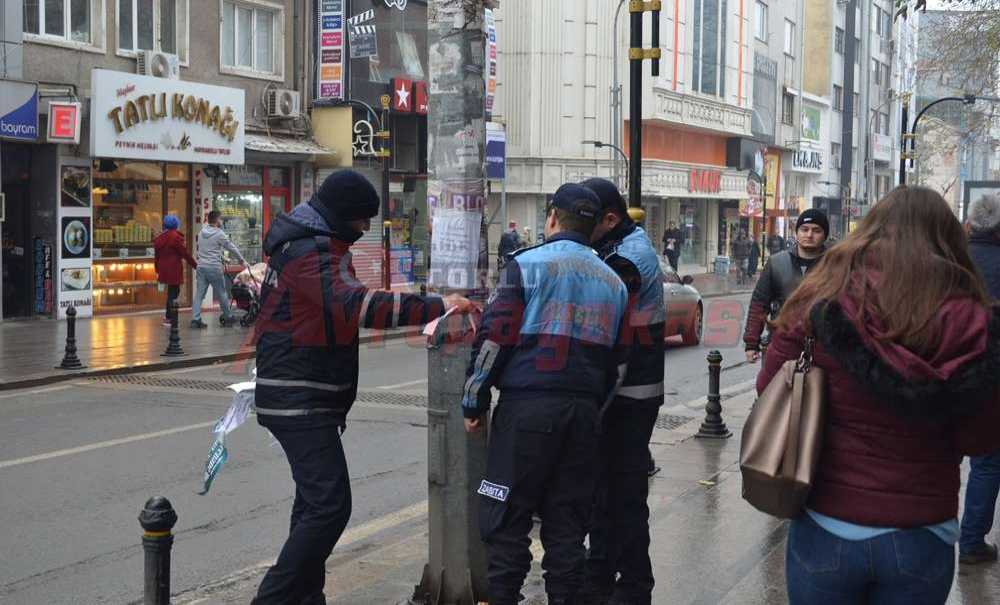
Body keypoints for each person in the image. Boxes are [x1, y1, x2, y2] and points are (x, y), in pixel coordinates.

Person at [760, 186, 1000, 604]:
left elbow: (770, 386)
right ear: (949, 239)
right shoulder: (974, 320)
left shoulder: (822, 297)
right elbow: (980, 439)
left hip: (827, 521)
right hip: (922, 530)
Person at [251, 170, 474, 605]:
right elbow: (358, 305)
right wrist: (437, 304)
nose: (365, 228)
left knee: (312, 506)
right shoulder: (309, 251)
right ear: (341, 215)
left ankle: (306, 598)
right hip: (298, 395)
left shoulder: (316, 244)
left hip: (306, 393)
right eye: (361, 219)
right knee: (330, 507)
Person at [462, 183, 628, 605]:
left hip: (527, 412)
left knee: (506, 518)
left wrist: (474, 400)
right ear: (594, 227)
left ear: (552, 217)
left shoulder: (525, 266)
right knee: (567, 527)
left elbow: (493, 341)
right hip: (584, 416)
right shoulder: (614, 283)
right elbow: (618, 366)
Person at [580, 178, 665, 605]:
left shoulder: (630, 258)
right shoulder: (614, 245)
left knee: (626, 493)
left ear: (610, 219)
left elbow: (597, 307)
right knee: (603, 490)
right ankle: (599, 575)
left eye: (585, 223)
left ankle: (634, 585)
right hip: (617, 391)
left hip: (632, 394)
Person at [959, 193, 1000, 565]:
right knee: (988, 461)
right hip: (992, 377)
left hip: (948, 373)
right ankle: (971, 540)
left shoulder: (951, 261)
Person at [743, 209, 829, 362]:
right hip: (782, 346)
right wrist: (751, 343)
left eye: (816, 230)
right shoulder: (776, 263)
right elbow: (759, 304)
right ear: (797, 233)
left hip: (824, 350)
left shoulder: (836, 265)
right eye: (804, 229)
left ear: (824, 235)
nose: (809, 235)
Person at [191, 210, 245, 328]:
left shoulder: (201, 232)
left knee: (199, 294)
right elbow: (231, 247)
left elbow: (207, 249)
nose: (221, 221)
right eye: (220, 219)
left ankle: (195, 319)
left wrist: (221, 257)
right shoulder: (219, 233)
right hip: (214, 268)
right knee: (222, 293)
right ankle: (228, 316)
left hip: (201, 267)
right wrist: (241, 260)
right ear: (216, 220)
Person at [153, 215, 197, 325]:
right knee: (174, 293)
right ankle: (169, 317)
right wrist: (196, 265)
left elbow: (156, 256)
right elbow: (185, 254)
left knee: (171, 292)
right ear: (176, 224)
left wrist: (157, 269)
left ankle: (168, 316)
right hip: (174, 268)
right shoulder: (176, 237)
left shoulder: (159, 238)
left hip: (163, 268)